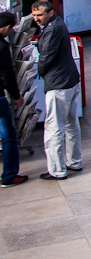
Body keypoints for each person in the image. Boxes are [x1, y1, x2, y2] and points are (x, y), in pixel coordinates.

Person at [33, 0, 82, 181]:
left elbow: (46, 57)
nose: (37, 19)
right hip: (69, 79)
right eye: (34, 16)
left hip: (59, 83)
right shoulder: (57, 24)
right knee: (71, 123)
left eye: (40, 15)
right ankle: (74, 161)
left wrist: (39, 71)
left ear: (50, 13)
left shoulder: (52, 29)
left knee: (54, 128)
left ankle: (57, 170)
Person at [0, 12, 28, 187]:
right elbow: (7, 76)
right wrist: (17, 96)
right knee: (8, 135)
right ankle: (9, 175)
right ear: (8, 28)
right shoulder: (2, 47)